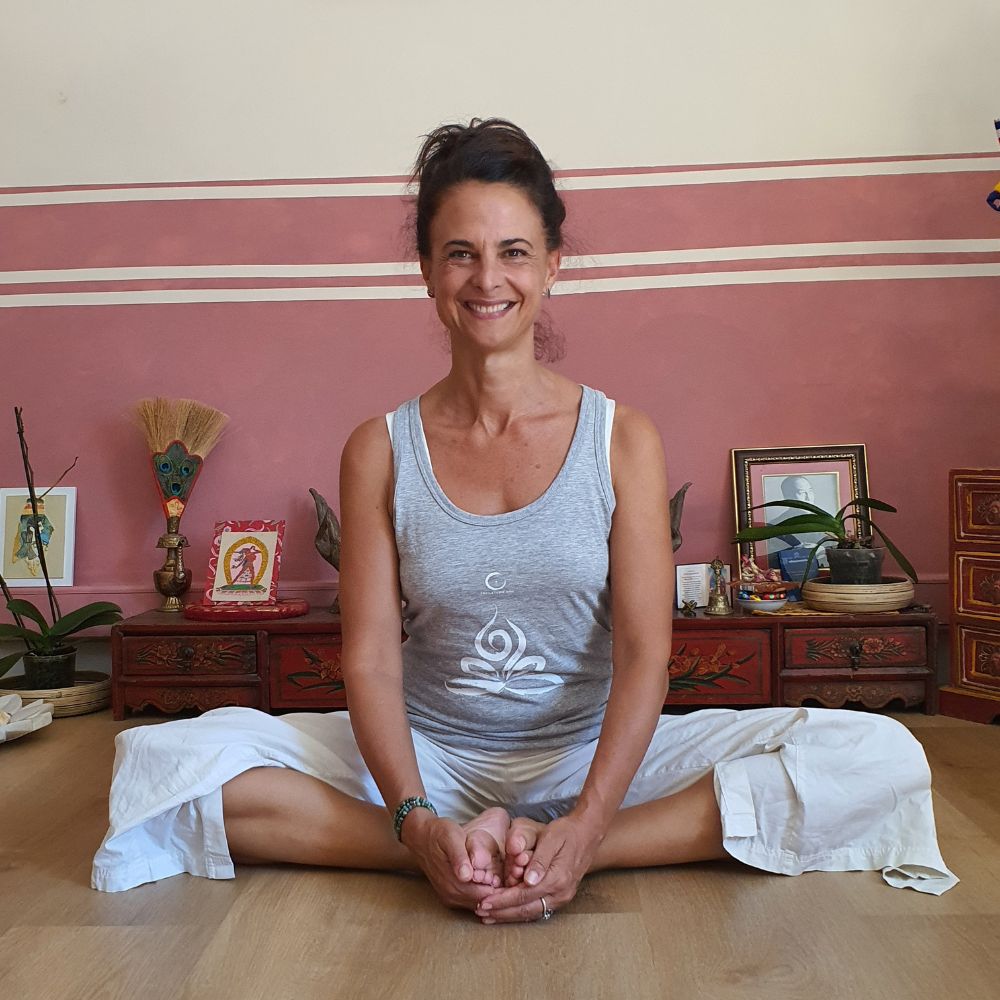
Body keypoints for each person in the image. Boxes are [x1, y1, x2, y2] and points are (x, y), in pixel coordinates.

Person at [92, 119, 957, 915]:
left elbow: (647, 655)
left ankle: (579, 851)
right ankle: (444, 852)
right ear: (429, 273)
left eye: (513, 251)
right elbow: (369, 661)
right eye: (460, 253)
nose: (488, 279)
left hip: (594, 753)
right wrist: (417, 819)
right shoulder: (379, 448)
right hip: (431, 757)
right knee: (163, 761)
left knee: (877, 757)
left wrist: (588, 821)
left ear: (552, 265)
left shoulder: (623, 438)